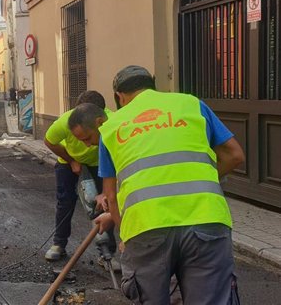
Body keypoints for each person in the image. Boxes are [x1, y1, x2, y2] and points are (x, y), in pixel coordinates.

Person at [68, 65, 245, 304]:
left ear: (119, 97)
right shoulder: (191, 104)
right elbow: (234, 155)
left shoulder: (111, 127)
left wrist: (124, 238)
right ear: (152, 84)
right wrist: (195, 177)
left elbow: (111, 195)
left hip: (146, 227)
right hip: (207, 218)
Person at [43, 90, 117, 264]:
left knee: (104, 205)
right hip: (68, 161)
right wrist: (72, 161)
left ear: (100, 117)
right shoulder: (65, 122)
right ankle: (59, 244)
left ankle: (107, 254)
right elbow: (49, 141)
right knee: (65, 201)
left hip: (99, 163)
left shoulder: (112, 120)